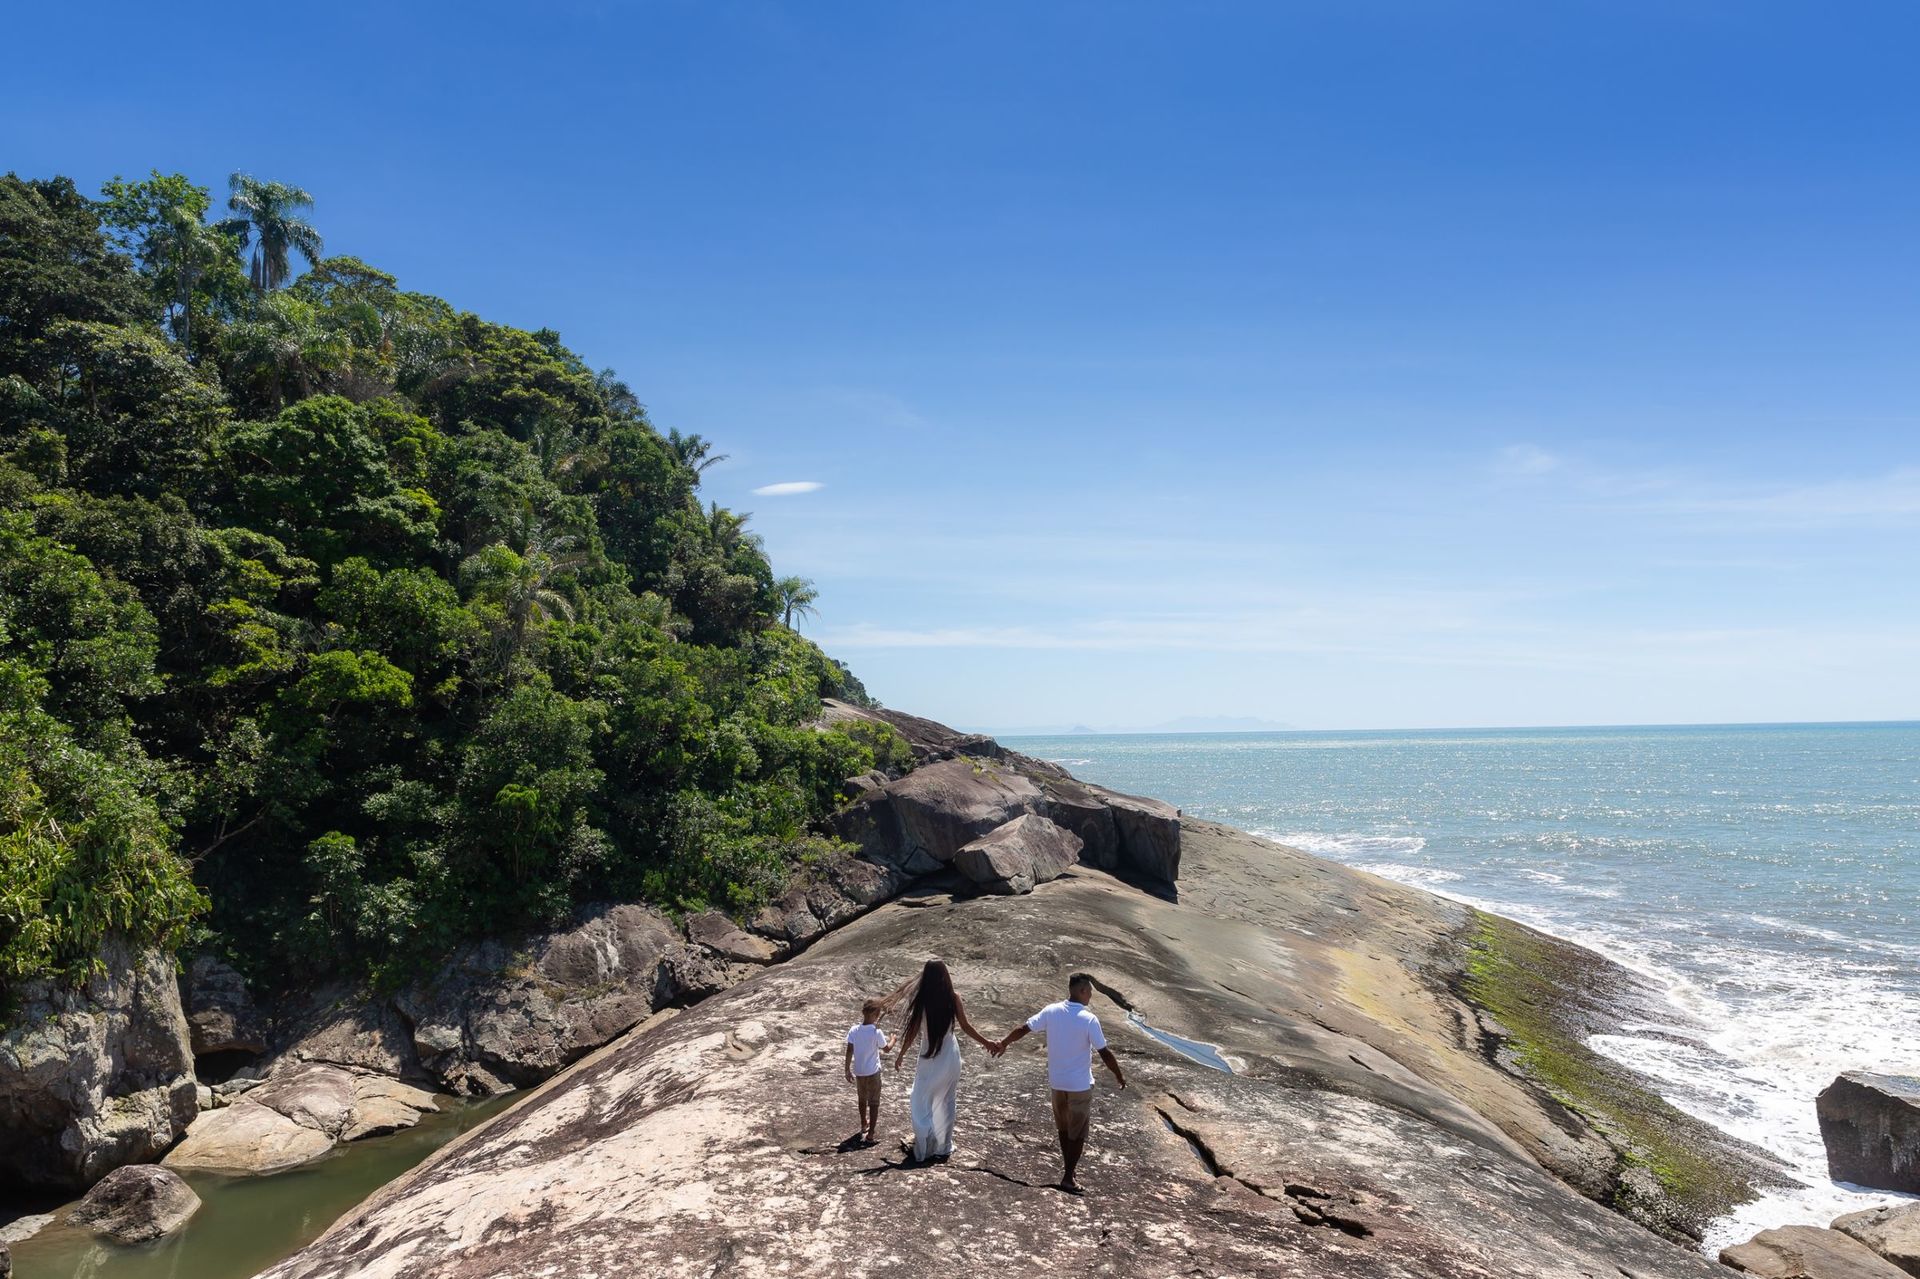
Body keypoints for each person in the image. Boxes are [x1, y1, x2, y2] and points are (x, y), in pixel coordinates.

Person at [996, 972, 1126, 1192]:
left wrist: (1004, 1042)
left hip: (1057, 1083)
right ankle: (1068, 1177)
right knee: (1078, 1134)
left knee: (1064, 1130)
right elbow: (1104, 1052)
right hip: (1079, 1085)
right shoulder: (1088, 1019)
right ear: (1082, 991)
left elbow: (1024, 1028)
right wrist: (1118, 1075)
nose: (1090, 997)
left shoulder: (1052, 1011)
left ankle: (1069, 1170)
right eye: (1090, 992)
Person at [891, 958, 1001, 1162]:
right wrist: (987, 1043)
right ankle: (944, 1145)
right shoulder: (953, 997)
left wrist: (901, 1054)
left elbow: (913, 1032)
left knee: (922, 1098)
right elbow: (966, 1027)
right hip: (950, 1055)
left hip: (929, 1057)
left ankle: (926, 1140)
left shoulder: (922, 1000)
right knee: (946, 1100)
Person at [844, 998, 889, 1144]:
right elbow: (886, 1049)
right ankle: (871, 1134)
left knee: (862, 1099)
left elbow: (849, 1050)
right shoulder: (877, 1032)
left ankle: (864, 1123)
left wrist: (847, 1070)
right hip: (873, 1073)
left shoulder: (854, 1030)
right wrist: (893, 1039)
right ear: (876, 1014)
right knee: (874, 1102)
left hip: (859, 1072)